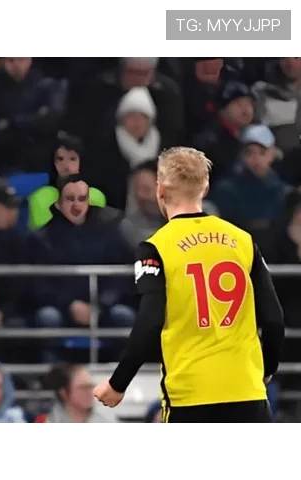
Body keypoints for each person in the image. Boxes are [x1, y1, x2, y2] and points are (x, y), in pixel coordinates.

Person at [93, 146, 285, 423]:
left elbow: (149, 322)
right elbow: (274, 318)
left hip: (190, 394)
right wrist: (267, 369)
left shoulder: (156, 247)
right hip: (247, 391)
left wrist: (117, 384)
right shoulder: (243, 241)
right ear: (205, 188)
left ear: (160, 190)